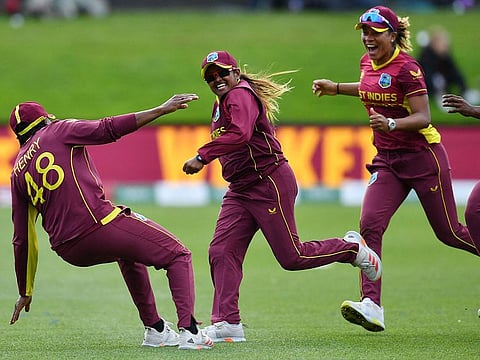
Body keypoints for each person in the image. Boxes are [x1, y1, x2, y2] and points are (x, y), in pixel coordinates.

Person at [182, 50, 383, 342]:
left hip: (268, 182)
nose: (217, 79)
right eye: (210, 77)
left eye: (222, 72)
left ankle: (351, 249)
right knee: (222, 251)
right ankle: (227, 322)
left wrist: (202, 156)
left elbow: (239, 134)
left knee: (292, 256)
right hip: (240, 188)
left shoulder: (239, 94)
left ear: (236, 73)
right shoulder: (223, 101)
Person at [312, 6, 480, 332]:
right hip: (388, 161)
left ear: (392, 34)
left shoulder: (407, 68)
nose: (367, 38)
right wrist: (336, 88)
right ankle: (372, 306)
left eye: (375, 32)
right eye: (364, 32)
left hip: (423, 157)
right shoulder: (366, 63)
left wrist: (391, 122)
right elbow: (369, 88)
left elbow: (423, 117)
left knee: (449, 232)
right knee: (369, 226)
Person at [8, 97, 214, 350]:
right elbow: (108, 128)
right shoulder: (58, 130)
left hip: (67, 249)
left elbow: (22, 239)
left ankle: (156, 330)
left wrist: (25, 290)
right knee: (178, 254)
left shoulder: (17, 171)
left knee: (128, 254)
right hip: (98, 224)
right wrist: (160, 109)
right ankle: (190, 332)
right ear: (46, 118)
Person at [417, 26, 467, 109]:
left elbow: (456, 72)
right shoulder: (426, 55)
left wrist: (463, 89)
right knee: (437, 79)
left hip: (441, 83)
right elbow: (427, 76)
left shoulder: (445, 55)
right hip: (427, 85)